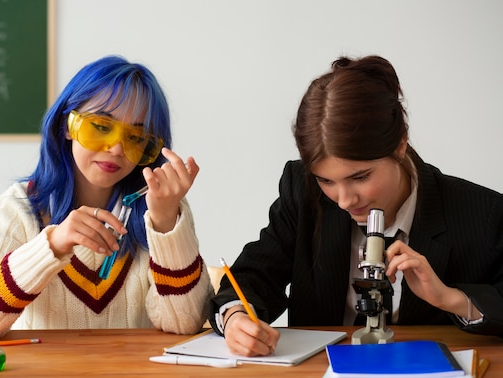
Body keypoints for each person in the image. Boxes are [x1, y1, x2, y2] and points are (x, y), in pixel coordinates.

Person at [209, 55, 503, 356]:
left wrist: (453, 299)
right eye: (326, 181)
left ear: (400, 145)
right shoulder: (302, 190)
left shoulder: (485, 213)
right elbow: (254, 275)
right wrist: (236, 318)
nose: (345, 200)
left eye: (360, 177)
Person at [0, 55, 212, 337]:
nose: (116, 148)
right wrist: (52, 245)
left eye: (136, 138)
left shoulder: (161, 205)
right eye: (102, 126)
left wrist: (166, 223)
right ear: (67, 125)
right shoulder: (17, 209)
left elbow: (186, 323)